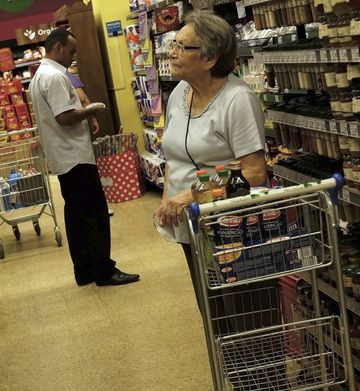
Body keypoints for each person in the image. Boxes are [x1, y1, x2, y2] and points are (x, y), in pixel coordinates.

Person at [154, 10, 267, 303]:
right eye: (173, 44)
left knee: (241, 310)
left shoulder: (237, 99)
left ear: (209, 59)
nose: (172, 53)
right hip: (190, 222)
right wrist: (168, 198)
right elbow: (174, 156)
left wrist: (192, 196)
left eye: (182, 47)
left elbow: (254, 173)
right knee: (210, 308)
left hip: (230, 227)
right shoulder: (179, 93)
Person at [30, 28, 139, 286]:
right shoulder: (56, 77)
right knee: (95, 212)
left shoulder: (39, 76)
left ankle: (84, 270)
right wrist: (91, 109)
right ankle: (104, 270)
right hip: (75, 156)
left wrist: (83, 114)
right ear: (58, 49)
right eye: (71, 51)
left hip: (62, 156)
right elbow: (64, 117)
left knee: (77, 215)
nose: (73, 56)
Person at [65, 69, 114, 217]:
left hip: (64, 141)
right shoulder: (67, 74)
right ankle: (99, 207)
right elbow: (83, 99)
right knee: (87, 170)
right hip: (78, 130)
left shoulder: (46, 75)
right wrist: (92, 116)